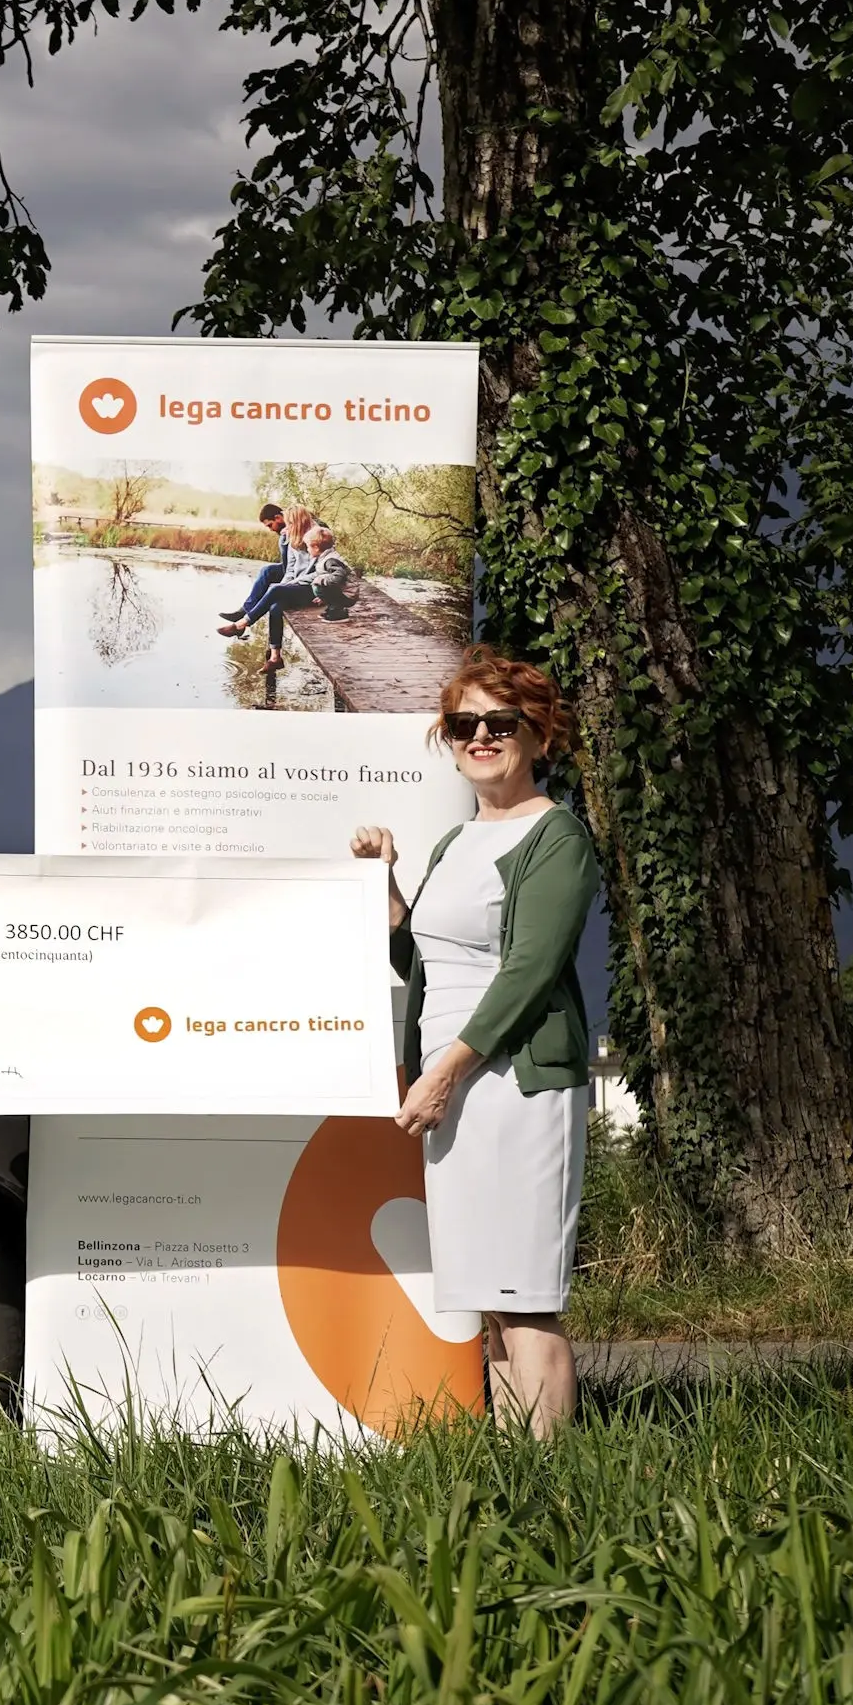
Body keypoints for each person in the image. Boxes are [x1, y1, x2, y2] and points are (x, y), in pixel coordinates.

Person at [351, 647, 600, 1436]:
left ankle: (560, 1491)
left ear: (539, 736)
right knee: (494, 1304)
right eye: (464, 724)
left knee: (528, 1301)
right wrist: (387, 882)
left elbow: (529, 971)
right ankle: (519, 1481)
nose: (481, 737)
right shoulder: (458, 843)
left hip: (514, 1086)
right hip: (454, 1088)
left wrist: (444, 1074)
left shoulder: (556, 836)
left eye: (501, 723)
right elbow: (422, 964)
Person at [220, 521, 356, 635]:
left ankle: (242, 623)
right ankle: (334, 610)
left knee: (276, 590)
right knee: (276, 594)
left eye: (308, 547)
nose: (307, 550)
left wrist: (322, 584)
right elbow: (319, 575)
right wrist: (323, 593)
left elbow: (338, 576)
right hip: (341, 593)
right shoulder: (325, 557)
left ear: (315, 547)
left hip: (346, 596)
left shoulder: (329, 560)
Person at [220, 503, 306, 625]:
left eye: (270, 525)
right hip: (291, 570)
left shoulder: (301, 527)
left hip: (303, 573)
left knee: (274, 597)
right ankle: (245, 610)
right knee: (267, 570)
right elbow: (289, 564)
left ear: (278, 518)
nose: (271, 529)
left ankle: (245, 617)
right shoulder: (286, 532)